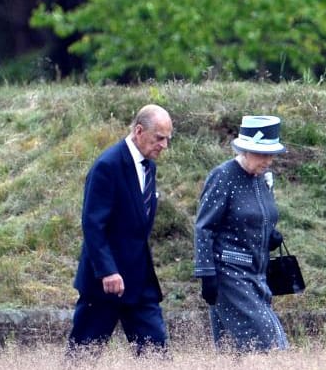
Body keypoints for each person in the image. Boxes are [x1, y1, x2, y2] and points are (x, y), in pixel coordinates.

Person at [68, 104, 172, 355]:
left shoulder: (149, 167)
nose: (164, 145)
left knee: (156, 355)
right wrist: (107, 271)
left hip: (139, 281)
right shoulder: (108, 165)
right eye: (159, 138)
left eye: (168, 139)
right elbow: (93, 224)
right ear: (139, 131)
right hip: (105, 283)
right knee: (83, 357)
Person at [192, 114, 291, 353]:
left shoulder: (262, 179)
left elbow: (256, 217)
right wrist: (206, 274)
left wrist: (270, 235)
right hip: (229, 276)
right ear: (245, 150)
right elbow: (204, 227)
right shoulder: (223, 176)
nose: (268, 160)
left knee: (233, 354)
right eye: (262, 153)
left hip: (258, 276)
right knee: (272, 346)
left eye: (271, 154)